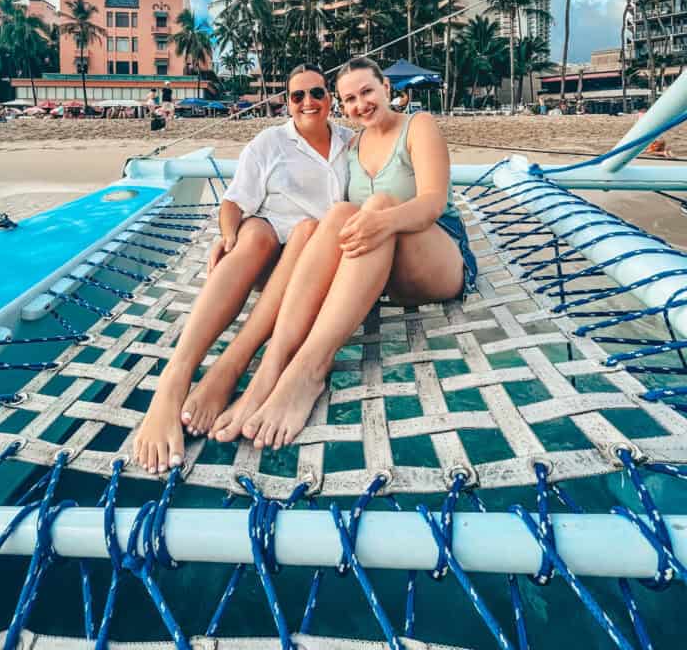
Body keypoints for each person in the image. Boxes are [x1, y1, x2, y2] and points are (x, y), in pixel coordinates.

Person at [211, 56, 477, 452]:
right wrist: (232, 233)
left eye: (367, 91)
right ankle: (272, 366)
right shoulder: (352, 145)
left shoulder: (417, 126)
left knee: (379, 203)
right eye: (350, 99)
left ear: (387, 88)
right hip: (384, 276)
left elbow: (434, 202)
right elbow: (302, 200)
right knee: (338, 213)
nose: (361, 104)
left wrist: (382, 219)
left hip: (440, 257)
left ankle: (309, 369)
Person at [133, 64, 352, 473]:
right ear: (287, 103)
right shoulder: (270, 143)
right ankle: (173, 382)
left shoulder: (351, 144)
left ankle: (229, 367)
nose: (308, 102)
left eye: (317, 93)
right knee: (254, 235)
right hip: (265, 246)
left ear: (330, 98)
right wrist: (228, 237)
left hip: (313, 259)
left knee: (308, 230)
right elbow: (234, 202)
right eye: (297, 96)